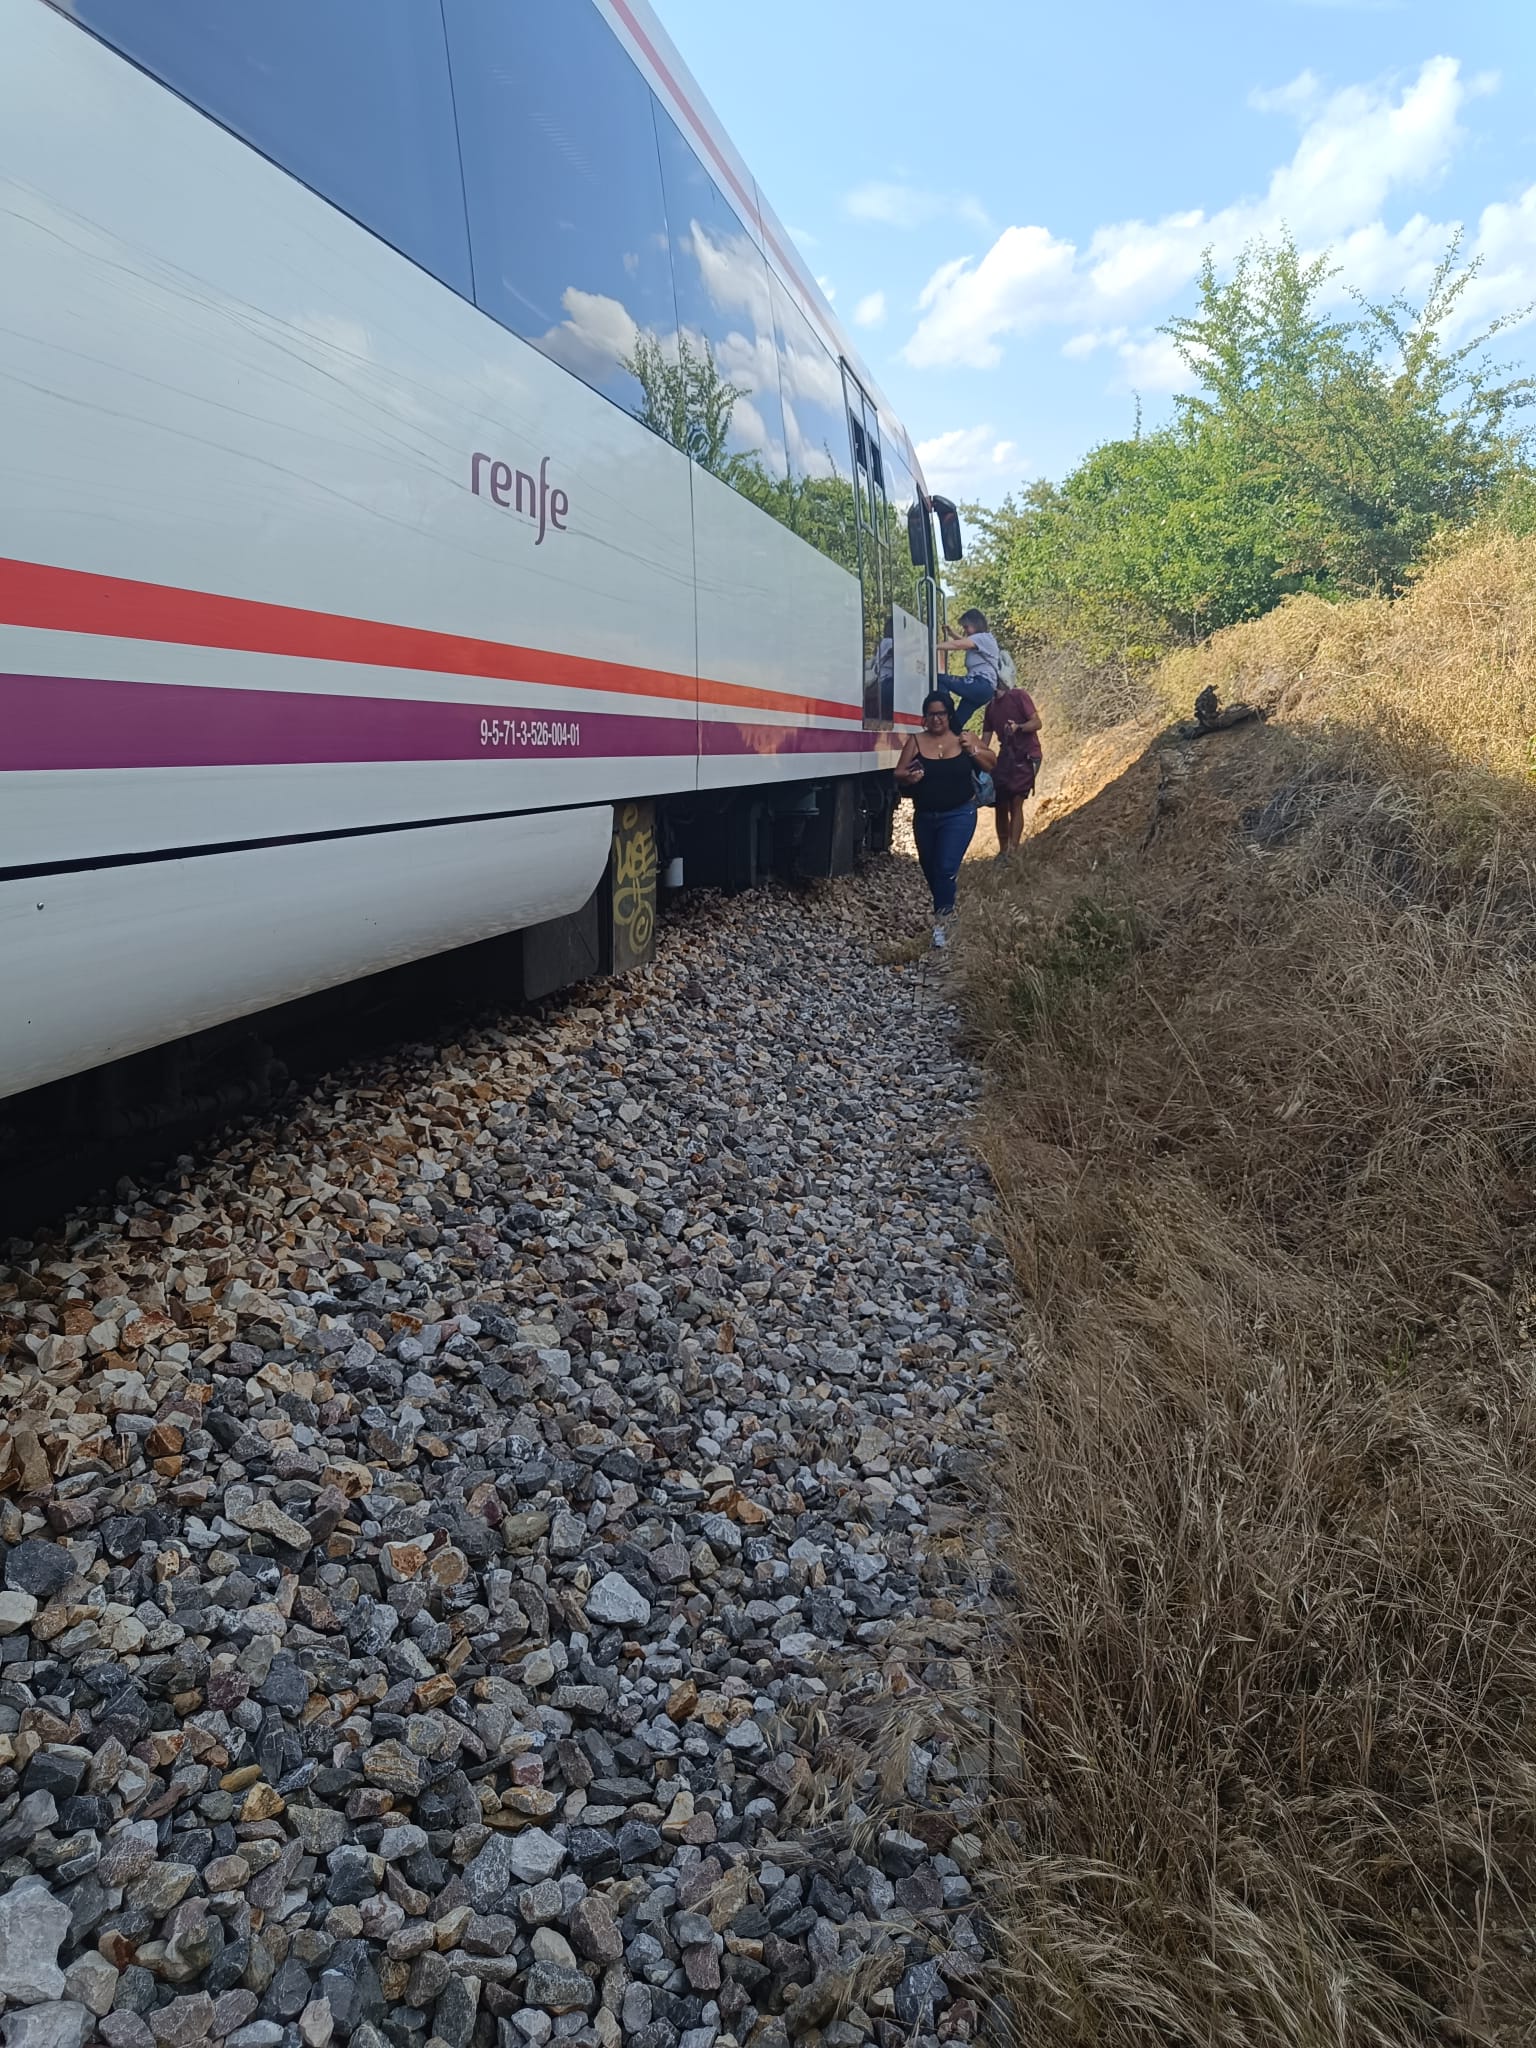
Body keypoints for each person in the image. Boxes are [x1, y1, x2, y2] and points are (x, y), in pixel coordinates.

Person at [895, 691, 998, 947]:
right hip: (925, 816)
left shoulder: (965, 738)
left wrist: (973, 749)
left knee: (945, 867)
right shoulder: (916, 741)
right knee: (930, 869)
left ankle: (942, 926)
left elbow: (991, 764)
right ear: (925, 717)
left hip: (959, 814)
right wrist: (909, 777)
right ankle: (948, 911)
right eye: (931, 714)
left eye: (941, 713)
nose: (936, 719)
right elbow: (898, 772)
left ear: (949, 715)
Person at [983, 677, 1043, 856]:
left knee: (1016, 801)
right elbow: (984, 741)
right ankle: (1003, 851)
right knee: (1000, 802)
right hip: (1006, 757)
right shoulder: (990, 708)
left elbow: (1037, 723)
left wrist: (1019, 727)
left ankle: (1013, 851)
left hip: (1027, 755)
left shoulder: (1018, 696)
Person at [934, 608, 1001, 733]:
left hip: (980, 683)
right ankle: (954, 738)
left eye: (966, 627)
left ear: (976, 624)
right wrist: (952, 634)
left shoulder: (983, 637)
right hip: (985, 690)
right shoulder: (984, 640)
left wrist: (932, 646)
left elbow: (958, 645)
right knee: (954, 726)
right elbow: (964, 643)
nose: (965, 631)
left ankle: (944, 711)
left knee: (939, 679)